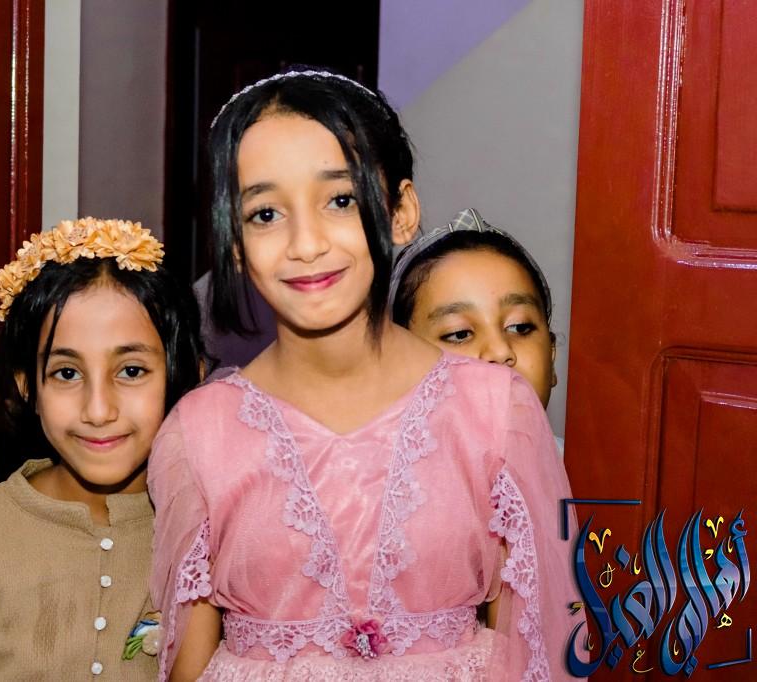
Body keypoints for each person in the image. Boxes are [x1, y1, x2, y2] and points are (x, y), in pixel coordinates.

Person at [149, 70, 580, 680]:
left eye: (340, 200)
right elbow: (186, 661)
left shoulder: (494, 410)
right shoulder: (197, 435)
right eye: (265, 213)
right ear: (235, 244)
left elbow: (538, 643)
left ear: (401, 211)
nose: (305, 243)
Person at [0, 218, 204, 680]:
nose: (99, 410)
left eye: (131, 371)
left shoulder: (208, 536)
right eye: (66, 373)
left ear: (181, 375)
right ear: (27, 387)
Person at [389, 207, 565, 454]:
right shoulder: (372, 476)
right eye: (460, 334)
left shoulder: (592, 470)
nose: (500, 351)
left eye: (519, 327)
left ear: (552, 357)